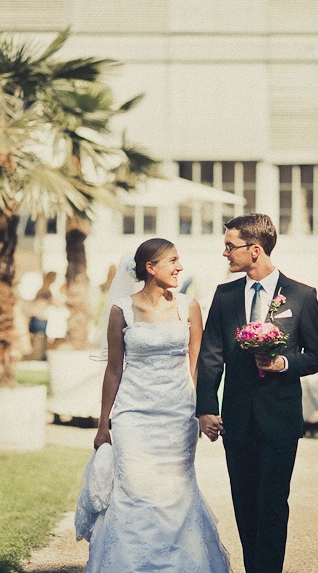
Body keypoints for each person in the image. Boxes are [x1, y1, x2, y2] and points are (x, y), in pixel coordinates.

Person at [82, 238, 230, 572]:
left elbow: (198, 364)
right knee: (133, 490)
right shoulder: (122, 309)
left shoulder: (188, 306)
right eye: (173, 261)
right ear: (151, 267)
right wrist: (103, 424)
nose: (180, 268)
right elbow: (114, 370)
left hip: (178, 415)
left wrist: (205, 410)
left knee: (175, 491)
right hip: (133, 415)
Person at [196, 213, 318, 573]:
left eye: (230, 246)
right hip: (237, 420)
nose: (225, 253)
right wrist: (206, 408)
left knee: (272, 505)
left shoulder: (301, 296)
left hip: (280, 419)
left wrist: (283, 364)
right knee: (244, 504)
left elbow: (317, 356)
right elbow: (211, 357)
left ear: (255, 250)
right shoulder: (224, 296)